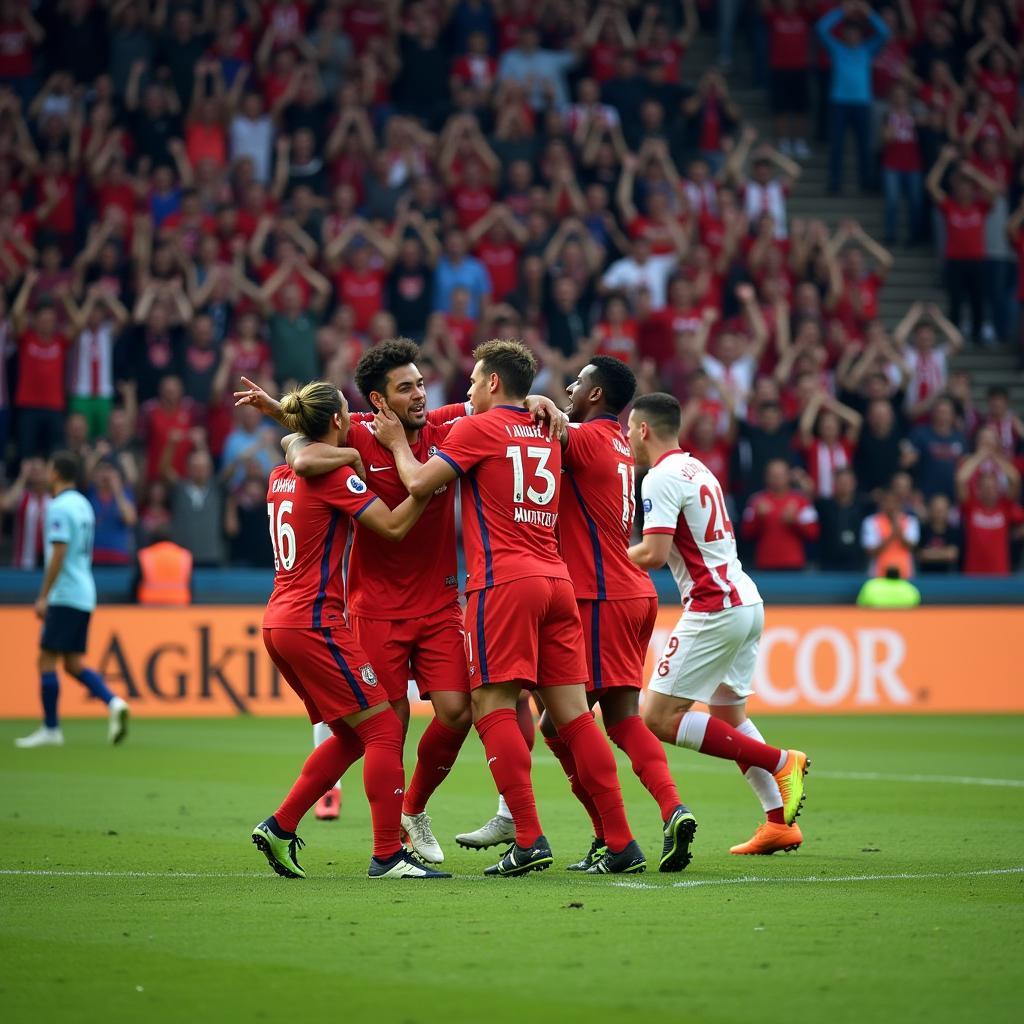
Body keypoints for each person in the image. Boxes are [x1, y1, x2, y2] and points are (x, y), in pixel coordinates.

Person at [374, 339, 645, 876]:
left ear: (493, 382)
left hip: (501, 583)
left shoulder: (478, 428)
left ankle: (527, 835)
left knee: (491, 704)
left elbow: (419, 482)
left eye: (473, 381)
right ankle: (620, 842)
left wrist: (394, 443)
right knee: (574, 718)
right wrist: (542, 403)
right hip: (557, 582)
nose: (468, 391)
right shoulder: (550, 429)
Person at [249, 380, 449, 881]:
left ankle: (280, 826)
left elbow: (295, 448)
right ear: (339, 422)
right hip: (315, 621)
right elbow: (396, 526)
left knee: (347, 733)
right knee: (383, 728)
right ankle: (387, 855)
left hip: (278, 621)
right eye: (346, 412)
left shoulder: (283, 473)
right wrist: (425, 487)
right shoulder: (334, 476)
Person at [626, 393, 810, 856]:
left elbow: (650, 552)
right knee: (730, 715)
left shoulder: (659, 478)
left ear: (644, 430)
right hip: (745, 599)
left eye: (630, 428)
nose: (627, 436)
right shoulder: (698, 468)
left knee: (656, 717)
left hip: (714, 606)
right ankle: (778, 822)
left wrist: (599, 561)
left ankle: (781, 761)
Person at [538, 357, 697, 873]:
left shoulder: (582, 438)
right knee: (620, 719)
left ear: (597, 393)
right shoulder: (621, 446)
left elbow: (519, 435)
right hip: (634, 592)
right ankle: (671, 810)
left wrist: (533, 404)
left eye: (577, 382)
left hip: (596, 595)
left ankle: (613, 839)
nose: (567, 387)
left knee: (568, 724)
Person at [15, 451, 130, 748]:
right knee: (72, 664)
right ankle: (113, 701)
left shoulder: (58, 506)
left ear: (55, 473)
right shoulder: (83, 504)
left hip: (65, 592)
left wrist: (43, 596)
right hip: (84, 590)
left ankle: (51, 729)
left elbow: (59, 552)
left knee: (46, 658)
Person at [816, 1, 890, 195]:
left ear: (860, 34)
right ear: (844, 34)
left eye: (855, 32)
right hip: (839, 103)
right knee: (837, 146)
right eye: (848, 32)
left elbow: (885, 33)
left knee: (864, 146)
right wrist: (842, 12)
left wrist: (869, 14)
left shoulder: (867, 49)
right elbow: (821, 28)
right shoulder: (837, 48)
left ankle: (866, 183)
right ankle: (835, 183)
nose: (851, 36)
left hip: (862, 103)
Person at [860, 484, 920, 578]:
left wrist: (898, 531)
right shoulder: (871, 522)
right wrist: (891, 535)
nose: (890, 505)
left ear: (899, 504)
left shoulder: (910, 521)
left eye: (894, 502)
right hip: (879, 576)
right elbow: (871, 551)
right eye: (887, 501)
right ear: (882, 503)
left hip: (905, 574)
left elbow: (912, 546)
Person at [134, 526, 193, 605]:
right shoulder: (184, 555)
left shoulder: (145, 555)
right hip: (179, 602)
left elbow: (137, 581)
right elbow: (190, 582)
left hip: (150, 602)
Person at [856, 566, 921, 608]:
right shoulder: (910, 588)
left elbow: (861, 604)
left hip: (876, 618)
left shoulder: (872, 585)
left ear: (885, 574)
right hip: (903, 619)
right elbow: (915, 605)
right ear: (899, 575)